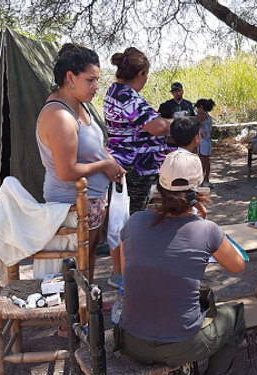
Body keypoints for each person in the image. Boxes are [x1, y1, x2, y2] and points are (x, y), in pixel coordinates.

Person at [115, 150, 246, 375]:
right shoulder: (207, 230)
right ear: (199, 189)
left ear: (159, 186)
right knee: (236, 316)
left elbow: (128, 274)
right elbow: (237, 266)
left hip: (130, 341)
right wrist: (204, 220)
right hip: (182, 343)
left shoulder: (135, 222)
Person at [36, 43, 124, 284]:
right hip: (72, 205)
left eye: (97, 80)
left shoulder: (78, 104)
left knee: (89, 256)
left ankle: (87, 307)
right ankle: (74, 318)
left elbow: (95, 144)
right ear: (70, 78)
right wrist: (105, 166)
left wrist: (110, 160)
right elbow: (67, 171)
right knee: (76, 264)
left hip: (91, 202)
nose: (96, 87)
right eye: (91, 80)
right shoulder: (59, 115)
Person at [104, 47, 172, 288]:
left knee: (120, 219)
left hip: (123, 164)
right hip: (134, 168)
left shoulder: (114, 91)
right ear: (141, 73)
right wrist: (174, 122)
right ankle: (128, 274)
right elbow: (157, 127)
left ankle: (119, 271)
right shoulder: (128, 96)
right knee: (132, 222)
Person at [196, 98, 215, 188]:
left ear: (201, 107)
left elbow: (196, 122)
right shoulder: (207, 115)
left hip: (203, 139)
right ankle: (206, 177)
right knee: (206, 159)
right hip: (208, 139)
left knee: (202, 159)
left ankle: (204, 177)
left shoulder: (201, 114)